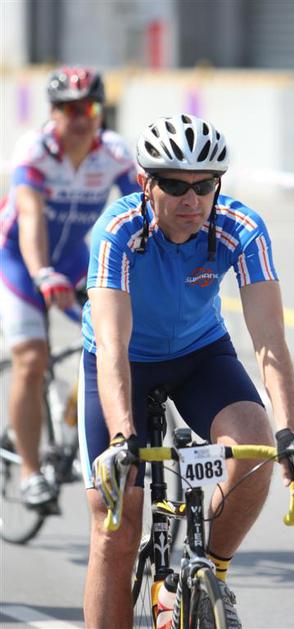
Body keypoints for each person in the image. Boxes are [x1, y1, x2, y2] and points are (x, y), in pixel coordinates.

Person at [79, 113, 294, 629]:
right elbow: (112, 345)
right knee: (115, 522)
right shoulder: (117, 231)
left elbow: (269, 339)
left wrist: (291, 433)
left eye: (204, 185)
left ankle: (208, 577)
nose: (191, 200)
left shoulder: (241, 227)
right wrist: (122, 439)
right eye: (174, 185)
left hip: (199, 355)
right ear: (145, 183)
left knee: (254, 447)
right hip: (124, 363)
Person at [0, 66, 138, 509]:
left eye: (89, 108)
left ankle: (75, 430)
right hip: (19, 260)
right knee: (31, 358)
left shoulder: (113, 152)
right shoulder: (36, 150)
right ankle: (29, 473)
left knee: (117, 338)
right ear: (53, 112)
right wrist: (43, 273)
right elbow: (30, 218)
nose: (80, 118)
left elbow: (140, 209)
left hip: (75, 260)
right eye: (69, 109)